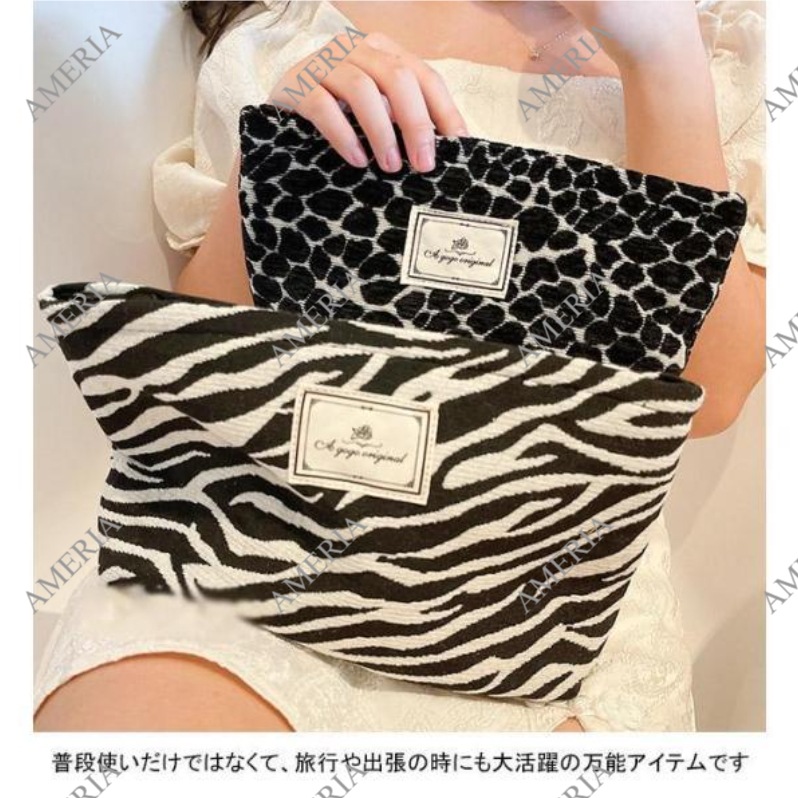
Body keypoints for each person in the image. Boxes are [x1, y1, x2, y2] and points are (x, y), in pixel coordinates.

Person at [35, 0, 765, 733]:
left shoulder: (719, 46)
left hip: (544, 583)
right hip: (257, 539)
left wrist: (661, 54)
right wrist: (274, 163)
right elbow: (207, 371)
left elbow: (712, 397)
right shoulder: (288, 30)